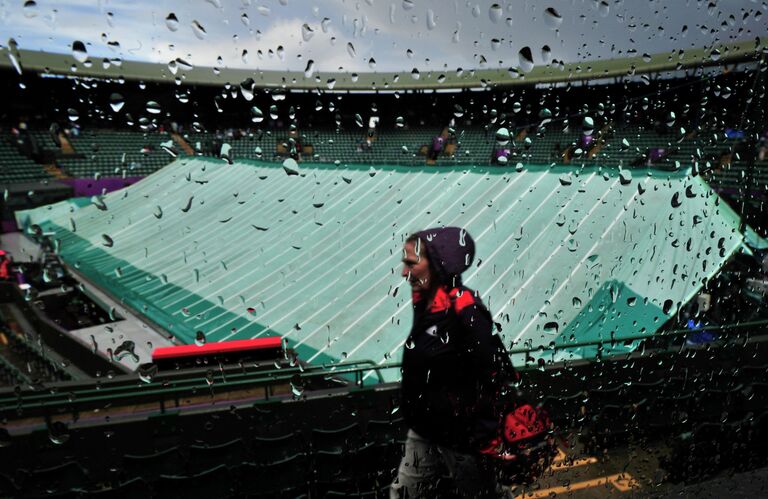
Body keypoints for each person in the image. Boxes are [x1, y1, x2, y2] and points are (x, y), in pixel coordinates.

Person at [390, 227, 513, 498]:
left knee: (482, 493)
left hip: (461, 435)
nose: (403, 272)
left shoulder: (466, 310)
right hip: (425, 426)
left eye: (411, 263)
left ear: (436, 265)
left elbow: (494, 370)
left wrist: (484, 435)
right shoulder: (425, 302)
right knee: (405, 492)